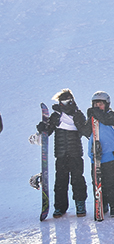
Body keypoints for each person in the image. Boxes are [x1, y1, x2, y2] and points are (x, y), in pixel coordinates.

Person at [36, 89, 89, 217]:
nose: (67, 104)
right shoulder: (56, 116)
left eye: (69, 101)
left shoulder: (78, 115)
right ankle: (60, 207)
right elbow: (47, 132)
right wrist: (42, 128)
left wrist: (78, 120)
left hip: (75, 154)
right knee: (60, 182)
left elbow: (86, 132)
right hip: (60, 155)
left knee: (78, 180)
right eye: (64, 101)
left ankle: (80, 205)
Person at [84, 91, 114, 217]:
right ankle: (102, 203)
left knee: (112, 181)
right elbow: (85, 132)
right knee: (98, 182)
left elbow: (106, 120)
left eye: (100, 104)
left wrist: (96, 113)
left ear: (106, 104)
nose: (98, 106)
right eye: (95, 104)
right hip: (96, 155)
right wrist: (85, 119)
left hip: (110, 154)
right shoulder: (93, 117)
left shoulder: (111, 115)